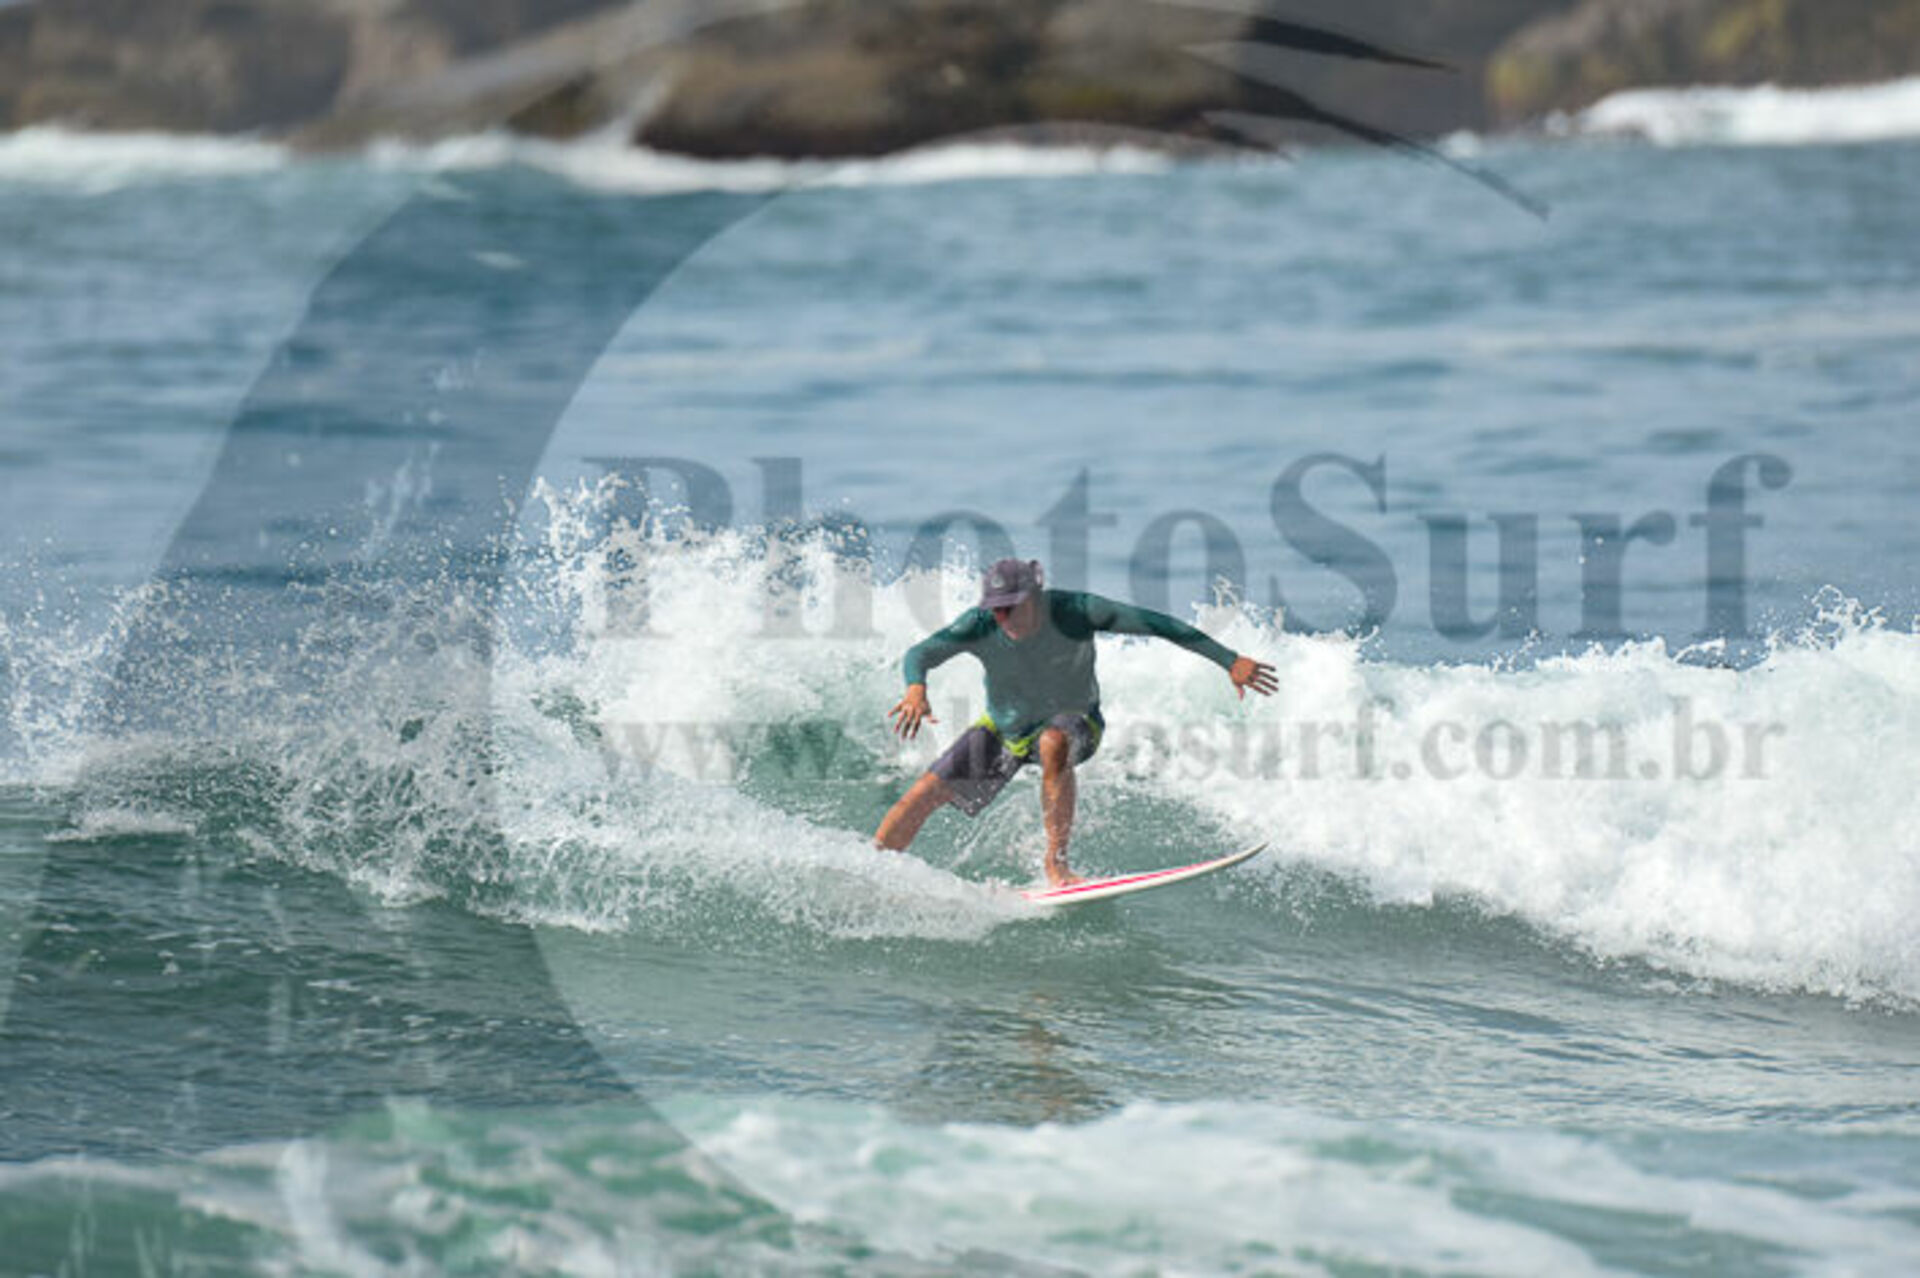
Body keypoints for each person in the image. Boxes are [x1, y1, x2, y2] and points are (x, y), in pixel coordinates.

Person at [875, 558, 1277, 886]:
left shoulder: (1077, 612)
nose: (1003, 616)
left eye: (1012, 606)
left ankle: (1057, 864)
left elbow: (1158, 624)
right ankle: (875, 867)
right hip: (1005, 728)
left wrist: (1230, 661)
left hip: (1077, 722)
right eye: (996, 608)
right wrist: (916, 689)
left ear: (1035, 595)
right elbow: (920, 654)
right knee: (920, 795)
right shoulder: (978, 624)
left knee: (1053, 743)